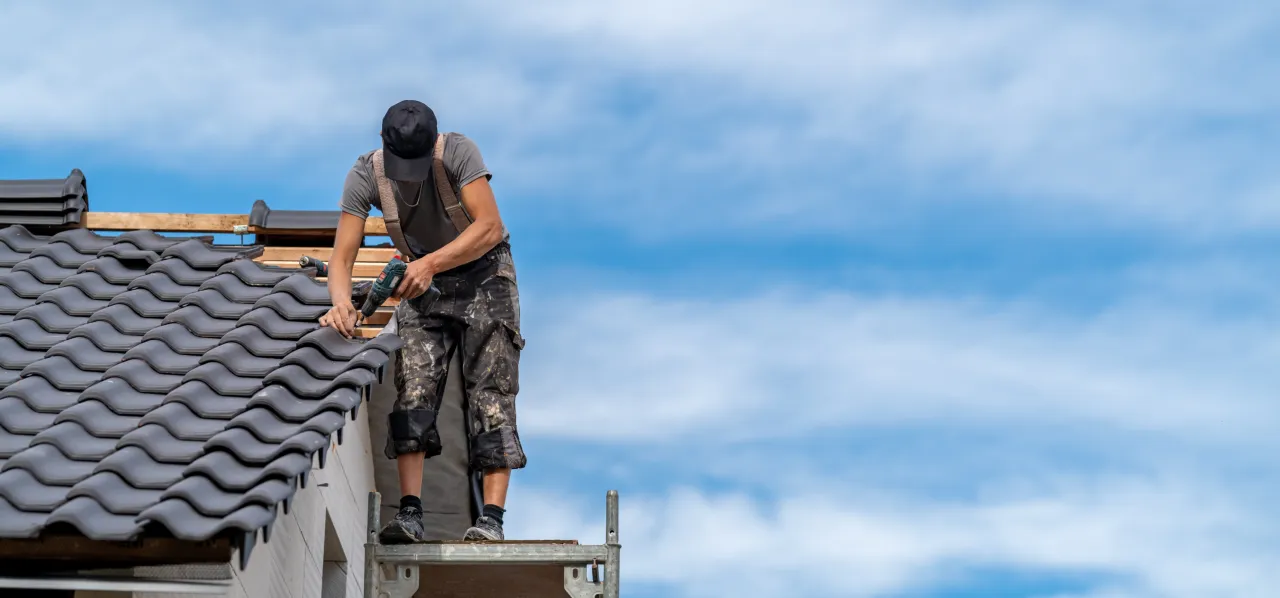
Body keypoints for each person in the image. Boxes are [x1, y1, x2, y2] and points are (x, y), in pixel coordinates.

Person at [319, 100, 527, 543]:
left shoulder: (457, 153)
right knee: (413, 388)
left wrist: (430, 263)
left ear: (433, 142)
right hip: (421, 283)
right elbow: (341, 257)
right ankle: (410, 513)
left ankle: (491, 519)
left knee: (491, 390)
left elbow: (490, 226)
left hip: (484, 277)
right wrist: (340, 302)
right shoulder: (364, 174)